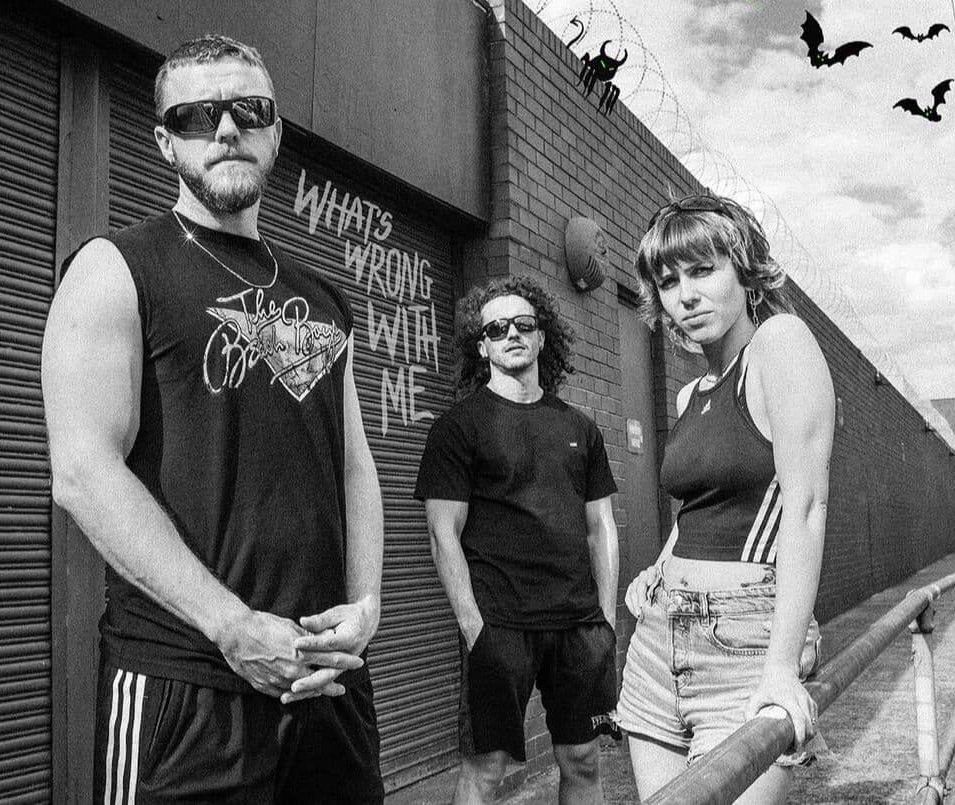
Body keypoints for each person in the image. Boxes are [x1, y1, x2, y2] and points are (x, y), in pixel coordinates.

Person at [41, 35, 385, 803]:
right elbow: (82, 473)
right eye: (195, 115)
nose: (225, 128)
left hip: (327, 685)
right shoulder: (116, 266)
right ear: (165, 141)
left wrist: (366, 603)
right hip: (186, 687)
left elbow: (355, 464)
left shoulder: (325, 299)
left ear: (276, 130)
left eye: (247, 108)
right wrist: (230, 625)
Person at [615, 193, 835, 804]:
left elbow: (806, 507)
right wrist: (657, 570)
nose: (684, 295)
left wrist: (782, 666)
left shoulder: (780, 345)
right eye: (667, 281)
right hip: (658, 642)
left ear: (745, 272)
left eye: (702, 270)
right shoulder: (691, 395)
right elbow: (698, 510)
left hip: (744, 642)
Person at [415, 277, 620, 805]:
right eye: (497, 328)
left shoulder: (580, 427)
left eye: (524, 325)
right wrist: (473, 627)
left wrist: (606, 620)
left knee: (583, 760)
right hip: (499, 624)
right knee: (486, 768)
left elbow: (601, 528)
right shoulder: (459, 428)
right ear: (480, 344)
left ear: (542, 337)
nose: (512, 334)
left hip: (577, 625)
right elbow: (444, 535)